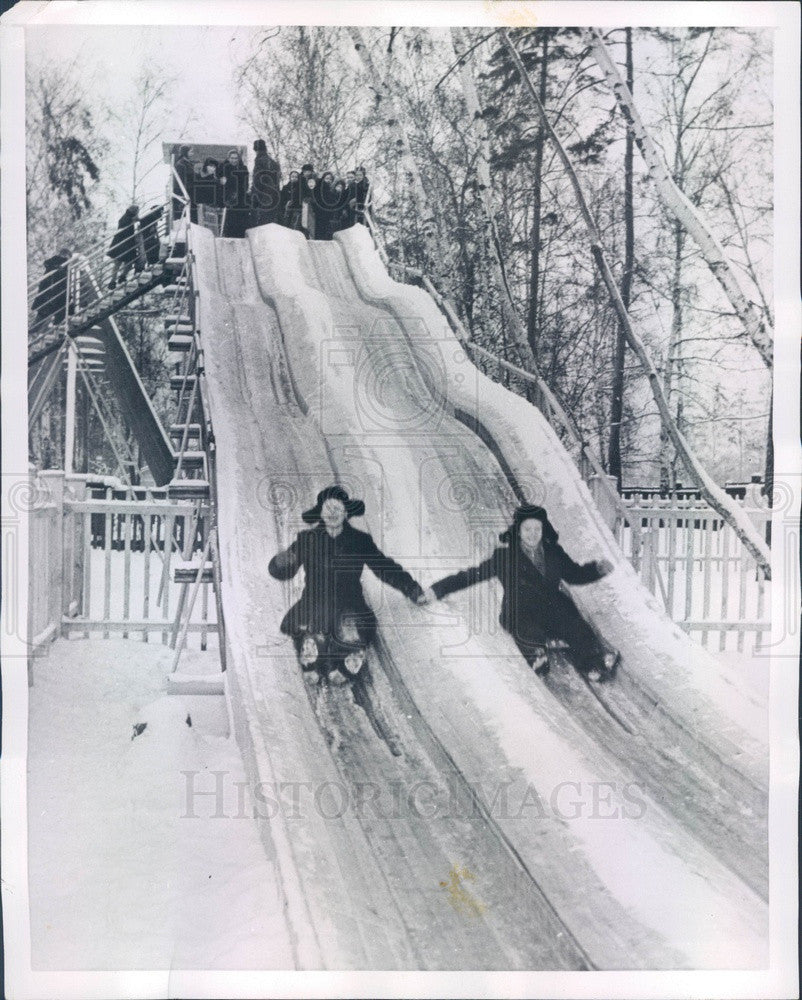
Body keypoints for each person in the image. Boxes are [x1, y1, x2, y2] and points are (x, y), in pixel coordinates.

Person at [420, 504, 618, 681]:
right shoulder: (505, 557)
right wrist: (437, 590)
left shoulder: (554, 552)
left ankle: (593, 664)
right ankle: (537, 657)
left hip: (553, 607)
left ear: (543, 530)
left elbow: (574, 574)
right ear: (518, 531)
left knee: (576, 626)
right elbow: (471, 575)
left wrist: (596, 569)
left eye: (537, 529)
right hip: (521, 609)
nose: (533, 534)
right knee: (526, 631)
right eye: (527, 529)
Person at [268, 485, 424, 677]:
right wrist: (280, 564)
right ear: (321, 513)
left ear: (346, 513)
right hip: (314, 600)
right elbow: (286, 568)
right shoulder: (308, 539)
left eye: (337, 509)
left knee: (358, 626)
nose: (333, 514)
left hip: (349, 600)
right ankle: (311, 650)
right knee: (297, 623)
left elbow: (384, 566)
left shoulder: (360, 540)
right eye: (328, 509)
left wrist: (411, 587)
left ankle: (348, 658)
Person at [31, 246, 72, 331]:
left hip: (53, 292)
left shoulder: (63, 265)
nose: (67, 259)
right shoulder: (59, 261)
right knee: (46, 312)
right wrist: (57, 267)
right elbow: (47, 263)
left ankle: (37, 329)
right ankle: (35, 330)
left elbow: (47, 264)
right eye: (67, 256)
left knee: (47, 312)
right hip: (51, 292)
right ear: (65, 255)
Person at [107, 205, 142, 289]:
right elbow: (125, 230)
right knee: (127, 262)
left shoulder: (126, 217)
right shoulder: (127, 219)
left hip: (119, 244)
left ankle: (114, 280)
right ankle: (120, 278)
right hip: (125, 245)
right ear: (134, 212)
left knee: (119, 264)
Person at [250, 138, 281, 227]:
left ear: (255, 149)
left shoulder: (259, 160)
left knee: (260, 225)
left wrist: (254, 198)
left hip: (262, 198)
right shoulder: (273, 163)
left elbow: (257, 181)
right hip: (273, 197)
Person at [220, 148, 250, 238]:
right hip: (230, 199)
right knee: (230, 223)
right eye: (232, 158)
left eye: (236, 158)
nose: (234, 160)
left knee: (241, 223)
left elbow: (245, 184)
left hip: (241, 199)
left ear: (238, 159)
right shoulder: (225, 169)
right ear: (228, 158)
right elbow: (223, 184)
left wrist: (230, 182)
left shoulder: (243, 168)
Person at [172, 145, 196, 222]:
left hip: (190, 191)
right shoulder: (181, 164)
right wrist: (182, 193)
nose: (193, 154)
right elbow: (179, 180)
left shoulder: (189, 163)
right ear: (186, 152)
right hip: (185, 192)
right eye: (191, 152)